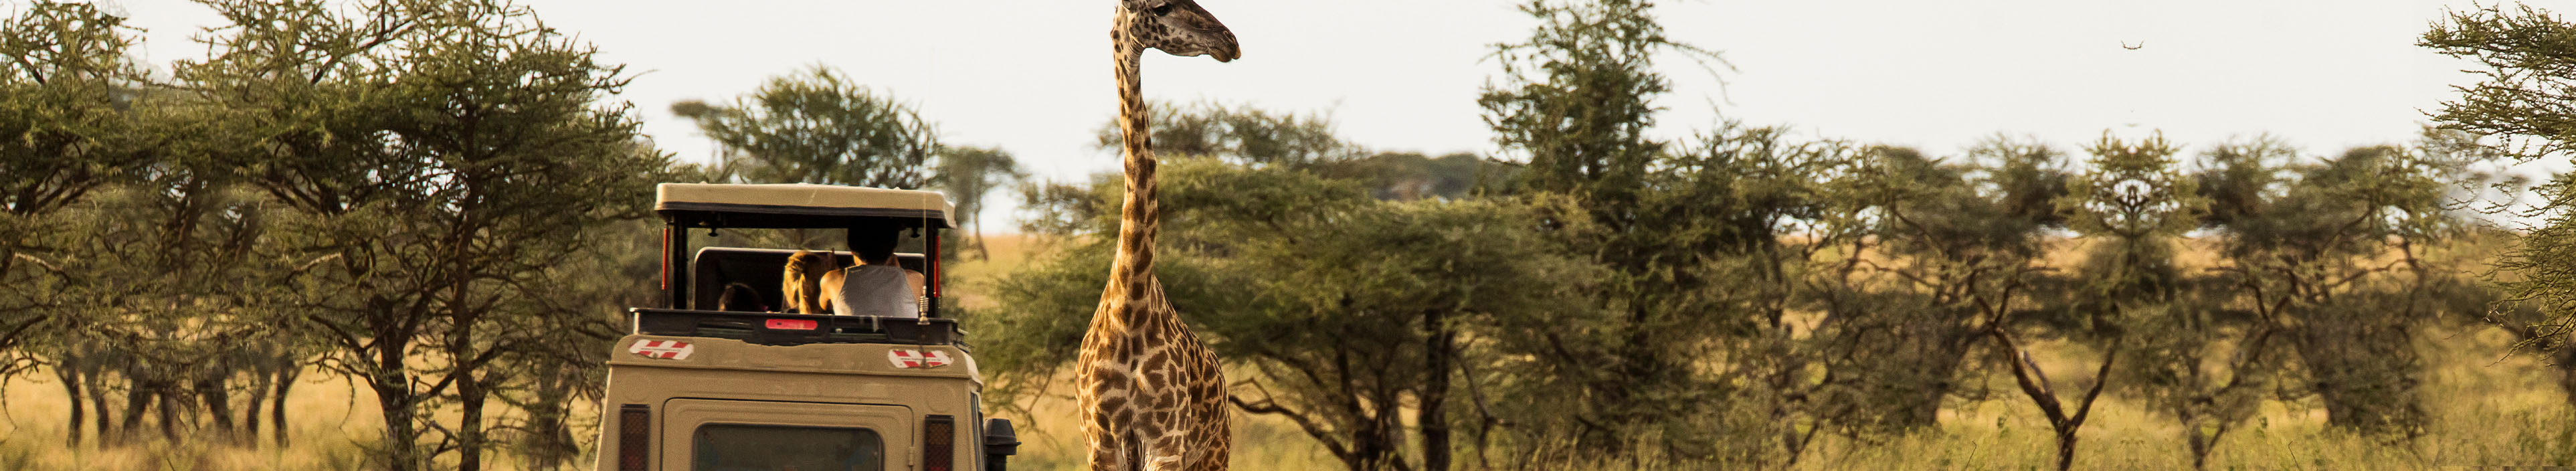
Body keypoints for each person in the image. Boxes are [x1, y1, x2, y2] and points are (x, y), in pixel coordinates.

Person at [827, 227, 926, 318]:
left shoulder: (832, 279)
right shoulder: (916, 279)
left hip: (850, 337)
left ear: (852, 250)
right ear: (893, 249)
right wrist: (897, 268)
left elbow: (821, 308)